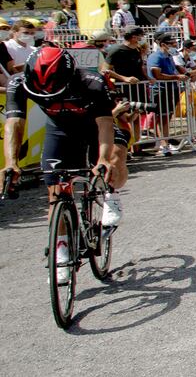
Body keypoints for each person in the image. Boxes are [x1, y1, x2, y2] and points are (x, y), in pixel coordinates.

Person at [4, 47, 125, 286]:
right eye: (42, 91)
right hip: (60, 132)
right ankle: (61, 250)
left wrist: (102, 160)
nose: (48, 94)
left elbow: (105, 125)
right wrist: (11, 164)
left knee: (114, 158)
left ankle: (112, 194)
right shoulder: (18, 83)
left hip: (94, 127)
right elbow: (14, 124)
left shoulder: (92, 81)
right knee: (55, 192)